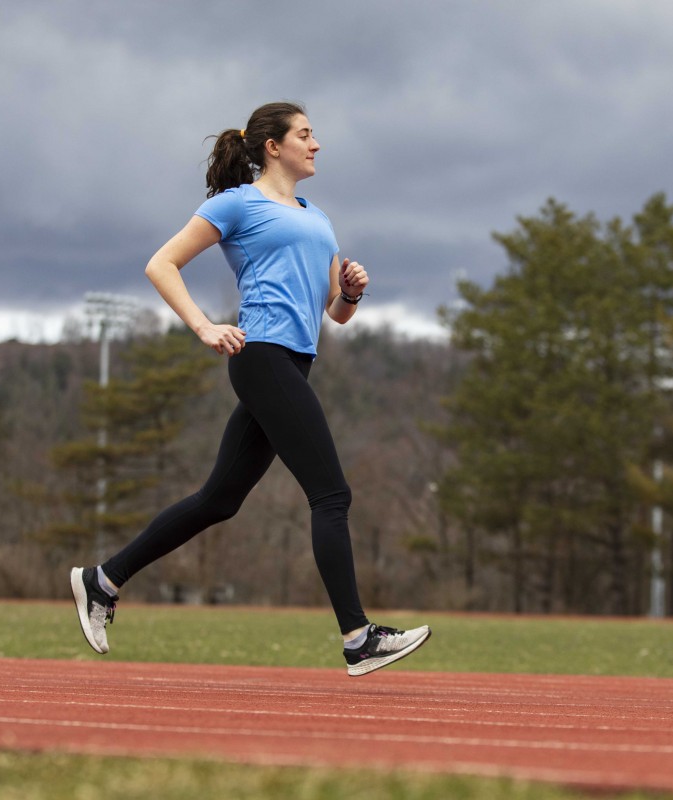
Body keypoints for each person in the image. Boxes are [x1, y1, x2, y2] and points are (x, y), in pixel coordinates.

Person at [70, 101, 430, 677]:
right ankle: (358, 637)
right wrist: (205, 325)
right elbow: (161, 264)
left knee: (220, 500)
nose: (316, 145)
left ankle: (103, 579)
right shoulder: (236, 203)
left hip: (294, 362)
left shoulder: (318, 216)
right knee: (331, 495)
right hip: (260, 358)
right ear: (273, 146)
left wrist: (353, 293)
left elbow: (333, 314)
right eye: (306, 135)